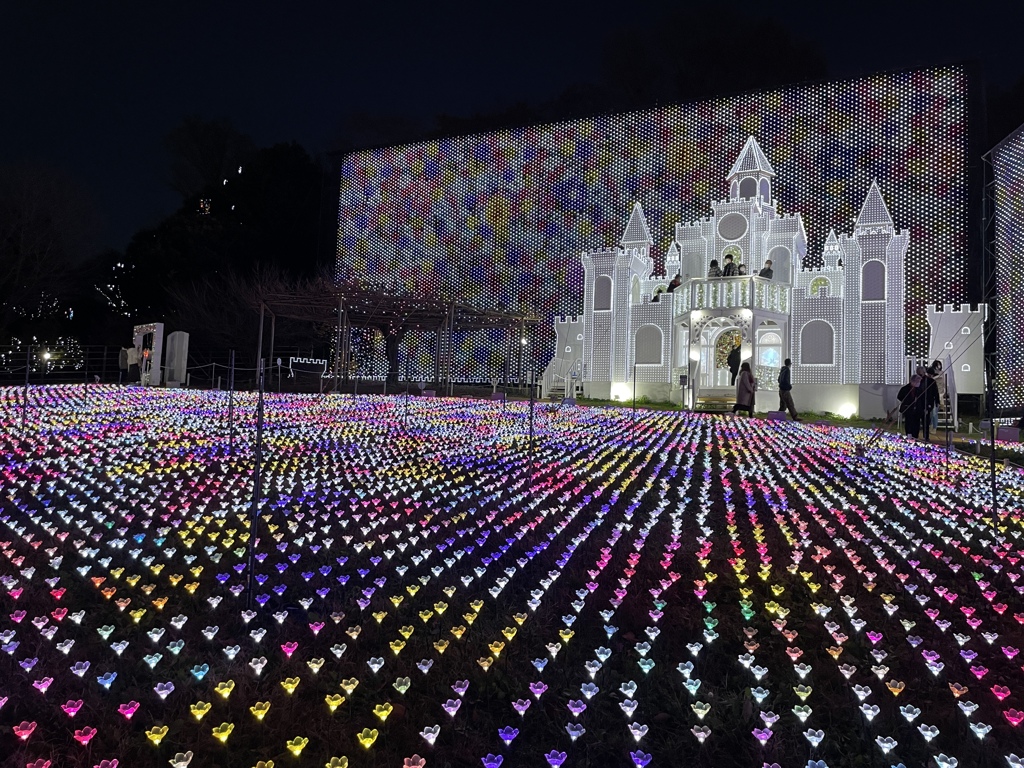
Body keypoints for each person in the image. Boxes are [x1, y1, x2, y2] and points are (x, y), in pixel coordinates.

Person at [897, 374, 927, 439]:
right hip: (908, 409)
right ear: (913, 381)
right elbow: (899, 397)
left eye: (919, 382)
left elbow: (923, 399)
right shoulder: (905, 388)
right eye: (917, 382)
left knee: (916, 424)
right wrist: (907, 401)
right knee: (909, 423)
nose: (918, 383)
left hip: (917, 410)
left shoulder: (920, 389)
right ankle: (909, 435)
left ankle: (915, 436)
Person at [916, 364, 938, 442]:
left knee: (926, 420)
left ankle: (926, 436)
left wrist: (936, 401)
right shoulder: (916, 380)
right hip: (918, 403)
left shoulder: (930, 381)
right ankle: (915, 435)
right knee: (917, 420)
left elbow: (935, 392)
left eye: (920, 372)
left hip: (927, 403)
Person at [927, 360, 945, 434]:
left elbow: (941, 382)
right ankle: (930, 425)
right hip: (931, 394)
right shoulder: (930, 373)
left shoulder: (941, 373)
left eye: (939, 365)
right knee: (930, 412)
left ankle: (934, 427)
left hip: (938, 393)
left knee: (934, 412)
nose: (938, 367)